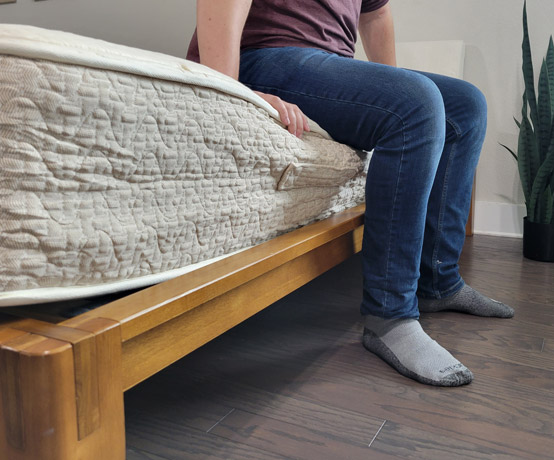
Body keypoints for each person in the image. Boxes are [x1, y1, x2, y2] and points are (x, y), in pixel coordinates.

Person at [188, 0, 514, 387]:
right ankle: (389, 315)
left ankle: (438, 282)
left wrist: (396, 93)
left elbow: (376, 13)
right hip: (264, 56)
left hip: (326, 64)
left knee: (465, 106)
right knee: (417, 102)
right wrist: (234, 92)